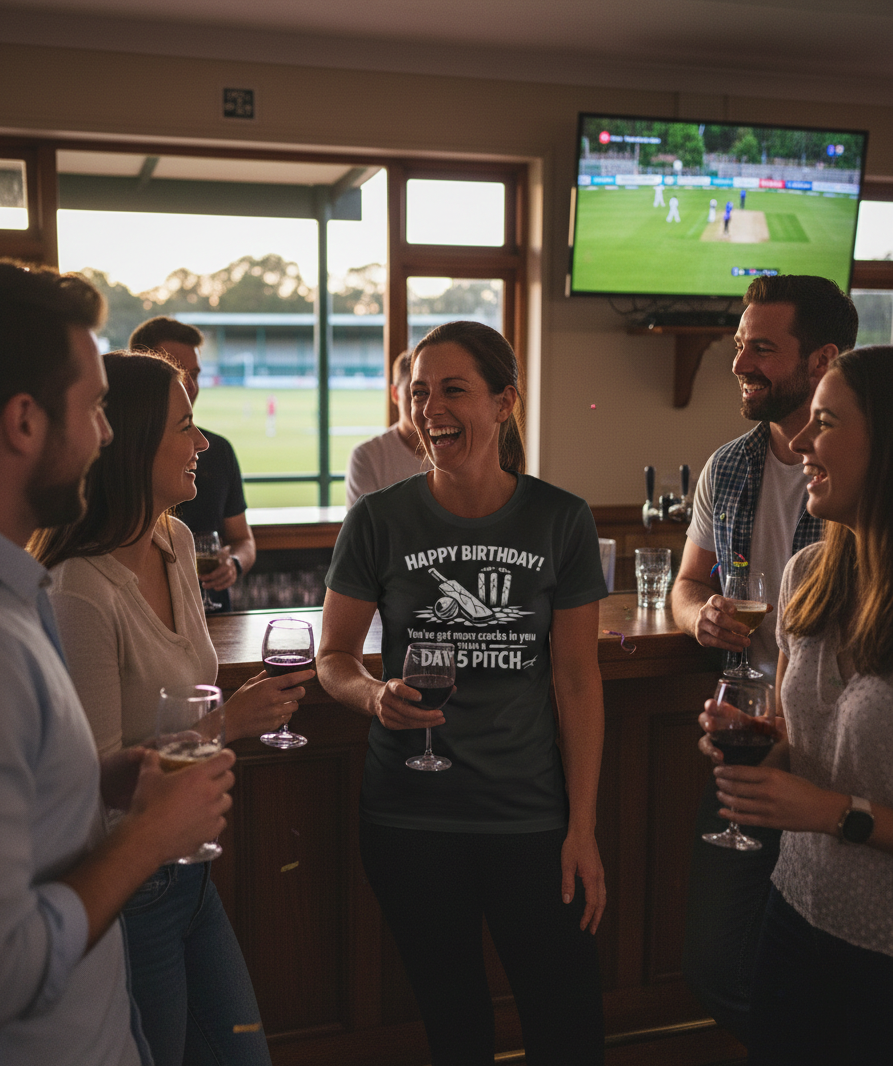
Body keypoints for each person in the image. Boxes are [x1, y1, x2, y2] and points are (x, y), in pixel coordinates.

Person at [317, 320, 608, 1066]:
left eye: (453, 389)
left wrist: (582, 827)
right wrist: (370, 696)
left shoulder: (561, 519)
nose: (430, 408)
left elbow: (577, 680)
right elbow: (334, 656)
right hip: (410, 816)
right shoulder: (377, 520)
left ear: (504, 401)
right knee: (452, 1026)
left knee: (566, 1023)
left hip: (529, 818)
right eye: (419, 392)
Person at [31, 350, 314, 1066]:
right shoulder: (78, 591)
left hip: (191, 875)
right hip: (130, 888)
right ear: (127, 446)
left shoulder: (176, 540)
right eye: (185, 426)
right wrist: (231, 724)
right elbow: (90, 788)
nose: (203, 444)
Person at [0, 261, 235, 1066]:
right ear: (25, 421)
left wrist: (103, 778)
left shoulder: (22, 594)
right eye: (95, 408)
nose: (103, 435)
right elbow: (10, 964)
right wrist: (148, 836)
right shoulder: (35, 612)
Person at [672, 274, 859, 1043]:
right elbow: (687, 584)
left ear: (822, 359)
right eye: (738, 341)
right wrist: (698, 617)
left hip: (844, 758)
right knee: (717, 957)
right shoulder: (730, 466)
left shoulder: (867, 484)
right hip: (753, 737)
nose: (738, 361)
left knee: (834, 959)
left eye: (760, 346)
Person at [702, 345, 893, 1063]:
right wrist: (761, 745)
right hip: (797, 912)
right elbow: (798, 738)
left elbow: (832, 792)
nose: (802, 443)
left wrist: (830, 812)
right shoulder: (808, 573)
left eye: (825, 423)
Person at [130, 317, 255, 612]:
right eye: (176, 372)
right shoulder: (119, 460)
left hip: (211, 613)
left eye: (194, 374)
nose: (188, 385)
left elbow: (243, 540)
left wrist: (233, 563)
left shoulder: (218, 449)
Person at [344, 350, 431, 506]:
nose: (427, 408)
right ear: (395, 394)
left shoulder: (454, 451)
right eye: (416, 394)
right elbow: (364, 526)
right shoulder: (368, 456)